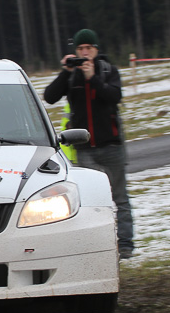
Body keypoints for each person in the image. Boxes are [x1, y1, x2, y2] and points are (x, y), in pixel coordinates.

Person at [43, 29, 135, 259]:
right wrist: (66, 72)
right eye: (80, 49)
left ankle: (125, 245)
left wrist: (92, 78)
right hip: (85, 149)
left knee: (120, 198)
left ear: (96, 49)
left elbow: (114, 96)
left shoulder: (108, 70)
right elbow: (49, 96)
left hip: (111, 146)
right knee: (91, 201)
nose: (85, 53)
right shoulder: (72, 75)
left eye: (89, 49)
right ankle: (96, 245)